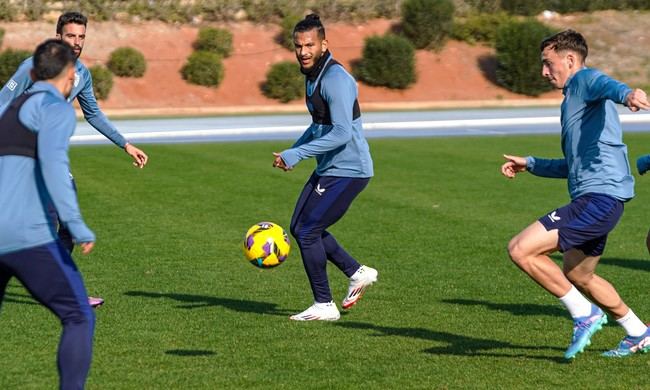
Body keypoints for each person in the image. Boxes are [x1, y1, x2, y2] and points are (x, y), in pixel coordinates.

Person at [501, 29, 650, 359]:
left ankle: (584, 314)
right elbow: (573, 165)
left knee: (520, 249)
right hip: (599, 200)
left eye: (547, 63)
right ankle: (638, 331)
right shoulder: (573, 101)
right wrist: (531, 163)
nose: (543, 71)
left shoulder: (583, 81)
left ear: (569, 59)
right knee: (579, 274)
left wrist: (626, 94)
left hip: (598, 199)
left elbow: (604, 84)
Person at [0, 11, 149, 307]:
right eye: (71, 35)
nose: (77, 42)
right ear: (58, 37)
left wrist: (125, 145)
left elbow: (93, 114)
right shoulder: (32, 67)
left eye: (81, 36)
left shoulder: (81, 74)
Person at [0, 39, 96, 390]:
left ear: (30, 73)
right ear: (71, 76)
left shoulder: (11, 108)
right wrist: (77, 225)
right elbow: (56, 168)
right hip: (24, 235)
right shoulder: (56, 108)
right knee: (78, 316)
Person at [272, 14, 377, 321]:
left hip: (350, 170)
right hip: (331, 167)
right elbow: (319, 124)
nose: (303, 51)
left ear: (324, 44)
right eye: (298, 45)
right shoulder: (312, 75)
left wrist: (298, 155)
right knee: (300, 228)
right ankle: (357, 272)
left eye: (309, 45)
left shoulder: (336, 80)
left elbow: (342, 132)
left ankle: (324, 305)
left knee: (307, 232)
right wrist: (294, 151)